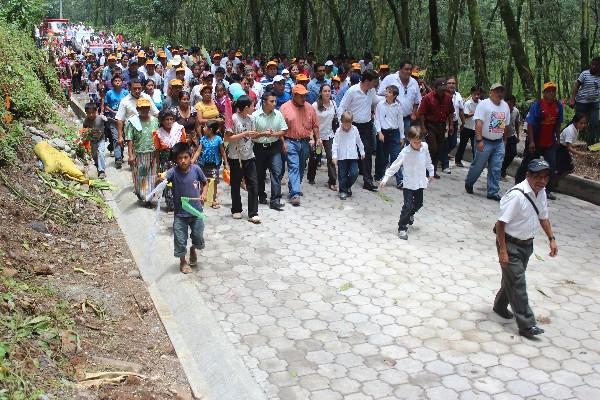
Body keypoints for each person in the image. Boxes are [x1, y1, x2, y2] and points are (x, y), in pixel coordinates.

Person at [493, 158, 558, 338]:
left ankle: (499, 306)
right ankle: (527, 325)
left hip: (526, 245)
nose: (542, 181)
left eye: (545, 177)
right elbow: (500, 224)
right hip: (509, 244)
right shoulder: (517, 195)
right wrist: (503, 251)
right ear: (528, 175)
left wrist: (551, 239)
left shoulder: (541, 192)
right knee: (518, 283)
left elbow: (543, 217)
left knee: (512, 279)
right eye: (538, 176)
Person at [156, 142, 208, 274]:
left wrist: (203, 194)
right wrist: (159, 180)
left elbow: (205, 182)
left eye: (186, 157)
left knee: (198, 236)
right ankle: (183, 261)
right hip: (180, 214)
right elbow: (161, 181)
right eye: (180, 158)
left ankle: (193, 249)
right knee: (180, 239)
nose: (183, 161)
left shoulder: (196, 169)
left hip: (196, 212)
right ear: (175, 159)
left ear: (191, 157)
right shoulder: (172, 172)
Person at [379, 128, 434, 240]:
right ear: (409, 140)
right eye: (415, 142)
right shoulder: (405, 152)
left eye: (419, 142)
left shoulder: (424, 147)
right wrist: (385, 178)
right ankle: (402, 228)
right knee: (407, 206)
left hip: (420, 182)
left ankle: (410, 214)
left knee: (419, 204)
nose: (418, 144)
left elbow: (428, 161)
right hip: (409, 183)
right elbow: (395, 165)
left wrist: (431, 172)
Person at [515, 82, 563, 200]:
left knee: (552, 165)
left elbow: (558, 123)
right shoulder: (537, 105)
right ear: (544, 93)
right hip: (536, 140)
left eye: (553, 91)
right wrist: (531, 141)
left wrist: (558, 138)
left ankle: (547, 190)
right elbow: (530, 123)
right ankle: (518, 185)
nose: (551, 93)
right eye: (548, 91)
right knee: (527, 163)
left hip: (550, 141)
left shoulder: (558, 106)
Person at [465, 83, 510, 201]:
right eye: (497, 91)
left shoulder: (505, 106)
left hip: (498, 142)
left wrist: (504, 141)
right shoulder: (484, 104)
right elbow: (478, 123)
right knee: (478, 166)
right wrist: (479, 140)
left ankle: (493, 191)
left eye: (501, 91)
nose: (499, 93)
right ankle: (469, 182)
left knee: (496, 167)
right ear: (491, 92)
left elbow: (505, 125)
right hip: (484, 140)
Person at [337, 69, 381, 191]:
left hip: (366, 126)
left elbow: (376, 101)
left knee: (367, 153)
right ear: (367, 81)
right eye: (374, 81)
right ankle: (346, 181)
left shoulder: (372, 91)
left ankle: (368, 181)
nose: (376, 84)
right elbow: (342, 107)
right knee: (350, 153)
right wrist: (342, 124)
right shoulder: (352, 91)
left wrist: (389, 99)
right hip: (352, 126)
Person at [280, 84, 320, 206]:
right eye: (301, 96)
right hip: (290, 141)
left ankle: (293, 187)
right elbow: (279, 128)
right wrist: (283, 143)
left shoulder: (310, 108)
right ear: (294, 95)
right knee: (294, 166)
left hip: (305, 142)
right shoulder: (285, 108)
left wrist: (318, 139)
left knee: (302, 167)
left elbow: (315, 125)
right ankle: (295, 193)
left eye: (305, 96)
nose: (304, 98)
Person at [225, 95, 261, 223]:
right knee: (235, 184)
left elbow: (252, 135)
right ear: (246, 107)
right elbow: (227, 138)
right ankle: (236, 209)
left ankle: (253, 213)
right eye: (252, 106)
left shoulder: (251, 119)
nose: (254, 108)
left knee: (253, 184)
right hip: (236, 157)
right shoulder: (233, 119)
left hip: (249, 156)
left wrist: (260, 134)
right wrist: (244, 134)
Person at [252, 91, 288, 210]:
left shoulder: (278, 114)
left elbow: (284, 130)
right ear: (264, 102)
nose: (274, 103)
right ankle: (261, 195)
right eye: (271, 101)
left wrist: (273, 134)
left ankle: (275, 200)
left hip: (274, 147)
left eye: (275, 101)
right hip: (258, 148)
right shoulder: (255, 116)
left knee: (277, 173)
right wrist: (264, 134)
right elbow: (252, 135)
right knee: (260, 174)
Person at [115, 78, 159, 168]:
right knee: (135, 154)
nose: (137, 90)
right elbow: (120, 119)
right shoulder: (125, 101)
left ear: (142, 87)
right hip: (133, 131)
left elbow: (155, 113)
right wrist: (120, 136)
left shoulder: (147, 97)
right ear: (129, 88)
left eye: (139, 88)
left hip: (148, 128)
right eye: (134, 88)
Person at [125, 98, 160, 203]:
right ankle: (143, 195)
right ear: (137, 109)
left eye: (146, 108)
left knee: (152, 175)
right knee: (141, 175)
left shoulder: (155, 121)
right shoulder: (132, 122)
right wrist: (130, 155)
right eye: (142, 108)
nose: (144, 110)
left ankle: (148, 197)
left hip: (153, 152)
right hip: (140, 153)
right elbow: (130, 139)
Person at [417, 78, 454, 178]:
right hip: (430, 125)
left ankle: (432, 171)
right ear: (435, 88)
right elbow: (421, 113)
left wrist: (451, 125)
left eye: (444, 89)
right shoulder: (428, 98)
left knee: (439, 149)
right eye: (441, 89)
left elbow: (450, 113)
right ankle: (424, 169)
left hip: (442, 126)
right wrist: (423, 127)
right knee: (432, 148)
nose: (442, 91)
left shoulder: (448, 98)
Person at [153, 109, 188, 210]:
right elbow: (157, 150)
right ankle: (170, 203)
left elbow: (184, 146)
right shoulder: (158, 133)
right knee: (167, 182)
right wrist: (158, 165)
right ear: (162, 121)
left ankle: (181, 201)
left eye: (171, 119)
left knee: (181, 181)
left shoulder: (179, 129)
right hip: (166, 162)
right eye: (166, 119)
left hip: (179, 161)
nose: (169, 122)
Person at [192, 120, 228, 209]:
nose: (203, 128)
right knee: (203, 181)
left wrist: (226, 164)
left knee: (214, 182)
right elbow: (198, 151)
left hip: (214, 165)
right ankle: (202, 197)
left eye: (205, 127)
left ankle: (213, 200)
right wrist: (192, 161)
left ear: (210, 129)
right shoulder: (203, 139)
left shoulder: (218, 139)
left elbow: (223, 152)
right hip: (203, 164)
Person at [378, 61, 421, 134]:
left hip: (406, 119)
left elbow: (417, 101)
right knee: (390, 139)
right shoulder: (390, 79)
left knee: (404, 139)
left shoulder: (414, 82)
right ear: (400, 69)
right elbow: (380, 95)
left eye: (410, 69)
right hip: (390, 118)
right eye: (406, 69)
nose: (409, 71)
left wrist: (413, 113)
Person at [374, 85, 405, 188]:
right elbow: (377, 119)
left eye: (389, 92)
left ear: (394, 95)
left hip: (394, 133)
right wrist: (379, 132)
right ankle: (379, 175)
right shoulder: (380, 105)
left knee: (396, 157)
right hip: (383, 132)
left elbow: (400, 122)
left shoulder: (398, 107)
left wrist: (402, 136)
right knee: (382, 157)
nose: (386, 93)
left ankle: (400, 180)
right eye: (386, 91)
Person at [308, 84, 338, 191]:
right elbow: (310, 122)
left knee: (331, 157)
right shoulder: (315, 105)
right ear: (321, 92)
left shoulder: (333, 103)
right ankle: (311, 177)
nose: (327, 93)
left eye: (329, 91)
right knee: (316, 157)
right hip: (318, 137)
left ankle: (332, 181)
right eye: (325, 91)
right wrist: (313, 138)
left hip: (329, 135)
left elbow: (336, 118)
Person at [332, 112, 365, 200]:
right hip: (342, 156)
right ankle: (343, 191)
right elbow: (335, 144)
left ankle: (347, 186)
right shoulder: (338, 131)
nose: (347, 126)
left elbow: (359, 141)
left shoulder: (355, 130)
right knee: (342, 175)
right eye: (345, 124)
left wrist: (362, 152)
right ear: (342, 122)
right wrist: (334, 156)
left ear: (351, 122)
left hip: (352, 156)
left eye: (349, 124)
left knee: (355, 173)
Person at [569, 56, 600, 145]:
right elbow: (576, 86)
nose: (593, 66)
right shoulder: (585, 74)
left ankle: (591, 144)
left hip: (594, 103)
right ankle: (565, 139)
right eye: (592, 64)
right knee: (577, 122)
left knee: (594, 123)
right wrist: (572, 99)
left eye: (596, 65)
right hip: (581, 103)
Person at [103, 75, 129, 168]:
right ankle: (118, 158)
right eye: (115, 80)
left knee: (123, 137)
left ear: (122, 82)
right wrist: (112, 111)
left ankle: (120, 155)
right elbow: (106, 105)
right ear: (112, 83)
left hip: (124, 119)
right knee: (115, 138)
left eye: (119, 80)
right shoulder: (109, 93)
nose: (117, 82)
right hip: (113, 119)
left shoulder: (126, 93)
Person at [555, 113, 587, 183]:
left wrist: (578, 146)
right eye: (581, 123)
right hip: (560, 149)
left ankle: (554, 182)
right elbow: (569, 148)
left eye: (584, 123)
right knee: (568, 169)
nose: (583, 125)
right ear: (575, 122)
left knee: (564, 169)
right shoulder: (570, 130)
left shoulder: (576, 129)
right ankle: (554, 182)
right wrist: (580, 153)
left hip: (563, 148)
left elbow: (569, 144)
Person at [455, 85, 481, 167]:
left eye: (478, 94)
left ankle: (475, 162)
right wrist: (476, 112)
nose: (476, 96)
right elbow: (465, 115)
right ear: (471, 94)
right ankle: (458, 160)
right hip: (466, 127)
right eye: (475, 94)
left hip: (476, 128)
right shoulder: (467, 103)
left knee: (475, 146)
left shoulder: (481, 103)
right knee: (463, 144)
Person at [444, 76, 464, 173]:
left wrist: (463, 122)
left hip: (454, 122)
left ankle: (442, 156)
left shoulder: (458, 95)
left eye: (453, 83)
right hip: (444, 123)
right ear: (446, 84)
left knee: (453, 143)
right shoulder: (442, 94)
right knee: (444, 142)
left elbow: (461, 110)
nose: (451, 85)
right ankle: (444, 163)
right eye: (449, 83)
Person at [83, 102, 107, 179]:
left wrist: (106, 119)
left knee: (101, 152)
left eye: (93, 113)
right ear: (86, 113)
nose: (91, 115)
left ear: (96, 111)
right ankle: (97, 165)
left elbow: (109, 120)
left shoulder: (100, 118)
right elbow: (84, 131)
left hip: (101, 139)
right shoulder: (86, 121)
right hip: (92, 140)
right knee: (94, 155)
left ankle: (102, 171)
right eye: (89, 113)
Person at [501, 95, 521, 179]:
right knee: (501, 153)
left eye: (511, 104)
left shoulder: (516, 111)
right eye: (507, 104)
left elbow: (517, 123)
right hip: (501, 136)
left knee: (512, 153)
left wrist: (518, 135)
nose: (508, 106)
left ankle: (503, 168)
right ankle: (499, 170)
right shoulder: (500, 110)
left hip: (511, 135)